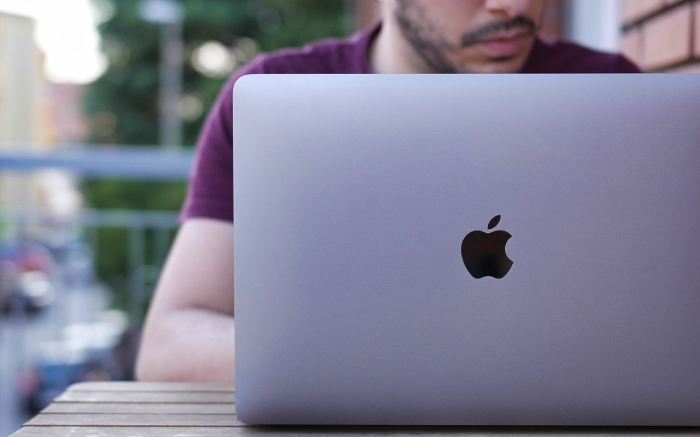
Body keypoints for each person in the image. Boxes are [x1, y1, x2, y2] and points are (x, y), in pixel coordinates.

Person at [135, 0, 640, 383]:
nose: (513, 6)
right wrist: (381, 360)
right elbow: (168, 344)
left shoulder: (616, 95)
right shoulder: (278, 98)